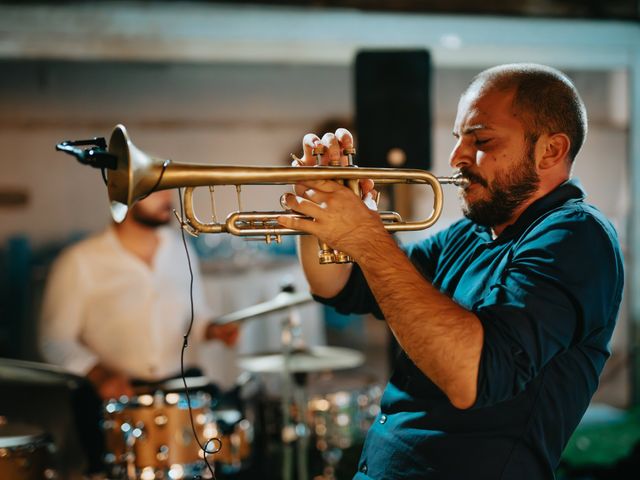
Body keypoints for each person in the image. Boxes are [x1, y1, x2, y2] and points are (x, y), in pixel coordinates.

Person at [277, 64, 625, 479]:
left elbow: (472, 377)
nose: (456, 156)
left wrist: (369, 238)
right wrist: (316, 204)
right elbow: (345, 287)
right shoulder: (473, 232)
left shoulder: (576, 236)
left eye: (480, 139)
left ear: (549, 150)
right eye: (458, 138)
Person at [39, 189, 239, 400]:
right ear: (121, 195)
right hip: (115, 399)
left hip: (180, 391)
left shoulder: (182, 248)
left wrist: (211, 329)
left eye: (167, 188)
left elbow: (195, 313)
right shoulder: (78, 261)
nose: (167, 197)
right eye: (154, 190)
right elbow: (55, 341)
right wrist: (99, 375)